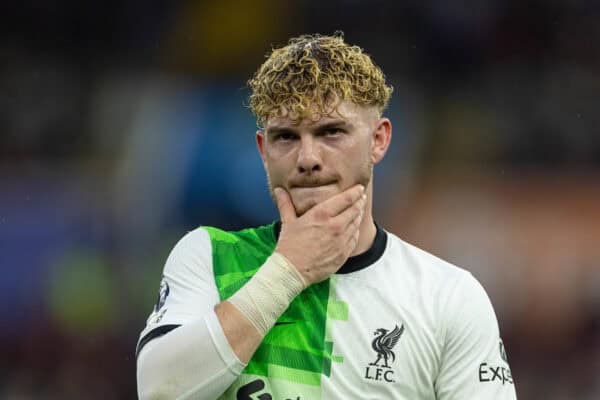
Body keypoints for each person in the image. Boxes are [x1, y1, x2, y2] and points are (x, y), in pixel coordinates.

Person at [136, 32, 517, 399]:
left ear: (379, 140)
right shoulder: (208, 256)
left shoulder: (447, 296)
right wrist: (288, 270)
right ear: (262, 149)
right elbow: (159, 390)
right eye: (286, 137)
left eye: (331, 132)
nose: (308, 159)